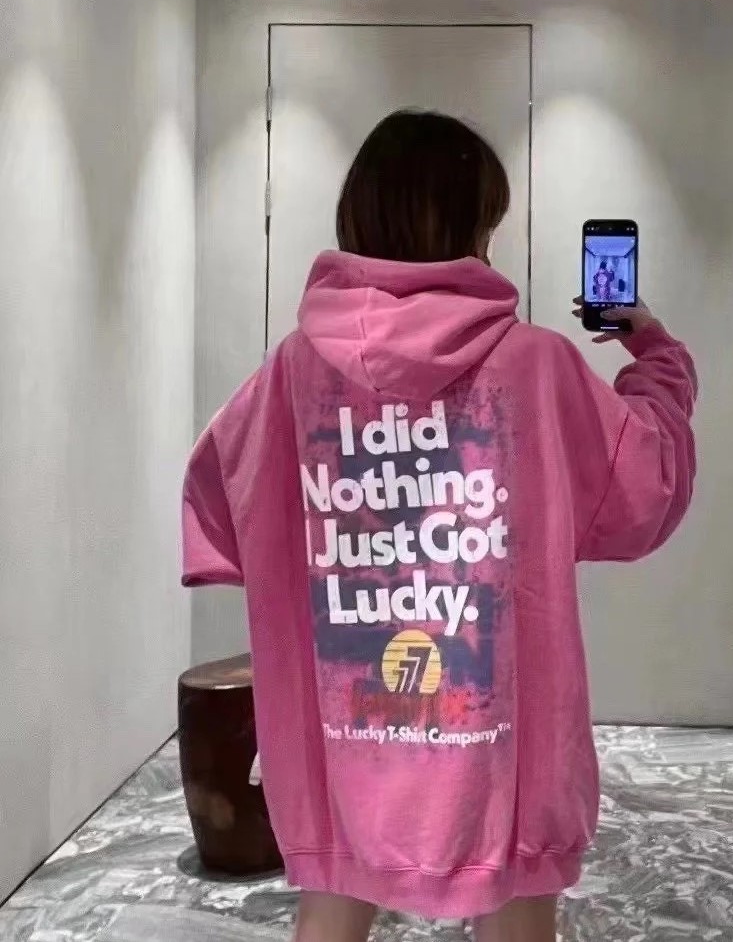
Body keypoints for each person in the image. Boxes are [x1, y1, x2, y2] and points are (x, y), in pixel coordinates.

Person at [181, 110, 697, 942]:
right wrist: (657, 355)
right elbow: (645, 481)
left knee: (332, 899)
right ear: (466, 230)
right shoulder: (534, 364)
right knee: (515, 904)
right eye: (486, 226)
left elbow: (220, 489)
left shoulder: (292, 371)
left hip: (344, 734)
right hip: (502, 745)